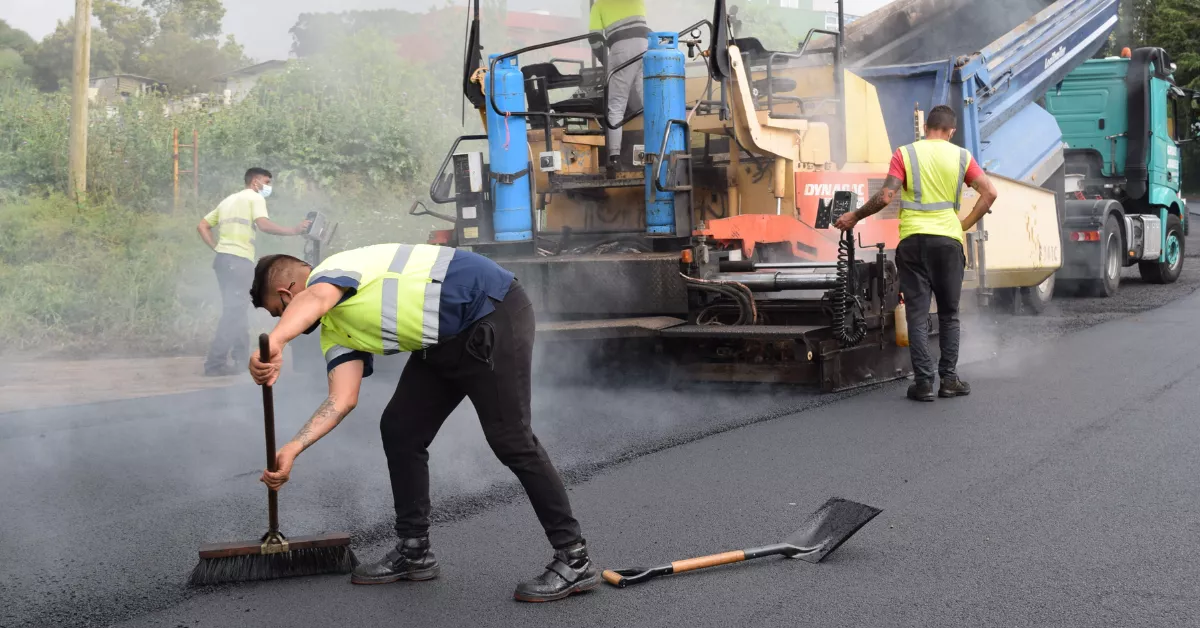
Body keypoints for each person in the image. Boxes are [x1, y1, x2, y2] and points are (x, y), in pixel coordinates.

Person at [247, 243, 599, 602]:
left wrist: (275, 341)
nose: (283, 321)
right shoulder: (335, 329)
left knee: (511, 439)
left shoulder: (333, 271)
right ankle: (414, 550)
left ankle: (574, 559)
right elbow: (341, 399)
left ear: (287, 293)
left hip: (490, 309)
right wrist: (293, 448)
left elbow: (316, 297)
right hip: (441, 343)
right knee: (401, 429)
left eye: (279, 312)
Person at [834, 105, 998, 402]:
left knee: (917, 316)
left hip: (912, 243)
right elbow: (990, 193)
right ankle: (949, 380)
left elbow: (886, 196)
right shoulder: (962, 156)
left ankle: (923, 383)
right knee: (949, 315)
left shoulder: (905, 154)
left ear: (925, 128)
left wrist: (855, 216)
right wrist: (963, 224)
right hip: (947, 242)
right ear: (951, 131)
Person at [196, 168, 310, 377]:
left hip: (224, 261)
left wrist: (217, 248)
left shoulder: (228, 201)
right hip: (238, 261)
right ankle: (215, 364)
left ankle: (241, 359)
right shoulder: (254, 198)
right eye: (267, 181)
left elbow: (202, 226)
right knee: (234, 312)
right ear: (255, 182)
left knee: (238, 309)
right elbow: (263, 225)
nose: (269, 186)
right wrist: (293, 230)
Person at [589, 0, 650, 177]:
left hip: (621, 49)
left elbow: (594, 39)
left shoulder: (599, 4)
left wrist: (605, 61)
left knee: (616, 105)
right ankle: (658, 144)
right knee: (648, 100)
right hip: (645, 45)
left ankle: (614, 157)